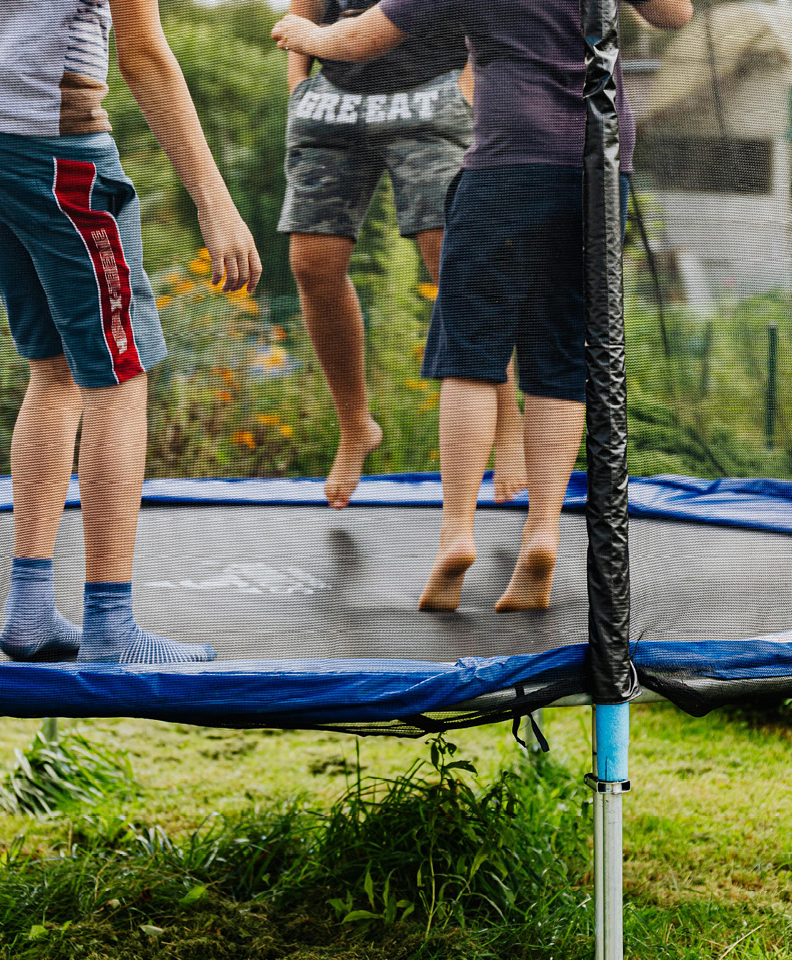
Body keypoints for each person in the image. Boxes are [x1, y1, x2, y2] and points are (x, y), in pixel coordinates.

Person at [274, 0, 691, 612]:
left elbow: (370, 35)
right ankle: (543, 531)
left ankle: (457, 534)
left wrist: (309, 34)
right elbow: (674, 13)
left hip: (507, 163)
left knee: (469, 355)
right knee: (560, 357)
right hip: (598, 168)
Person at [0, 0, 262, 664]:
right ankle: (109, 623)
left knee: (52, 371)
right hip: (56, 153)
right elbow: (143, 54)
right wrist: (214, 201)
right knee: (119, 375)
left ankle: (28, 610)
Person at [281, 0, 526, 509]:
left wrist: (468, 85)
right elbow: (302, 8)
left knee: (454, 263)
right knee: (312, 264)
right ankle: (356, 428)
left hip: (432, 94)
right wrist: (298, 87)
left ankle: (507, 426)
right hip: (334, 102)